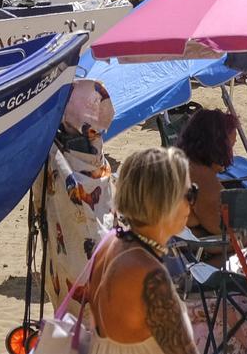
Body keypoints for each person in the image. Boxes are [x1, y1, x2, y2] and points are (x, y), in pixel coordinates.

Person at [81, 147, 196, 353]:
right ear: (164, 200)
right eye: (189, 194)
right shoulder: (149, 274)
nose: (191, 204)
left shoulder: (111, 242)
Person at [178, 109, 244, 236]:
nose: (231, 154)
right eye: (230, 146)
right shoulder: (201, 177)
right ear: (218, 146)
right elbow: (223, 230)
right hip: (173, 250)